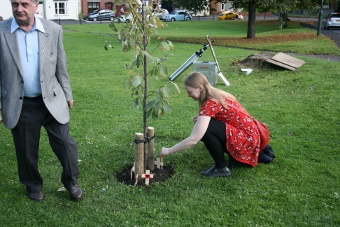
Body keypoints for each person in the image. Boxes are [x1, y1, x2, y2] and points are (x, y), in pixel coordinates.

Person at [0, 0, 83, 201]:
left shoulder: (53, 30)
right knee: (26, 149)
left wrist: (68, 93)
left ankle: (71, 181)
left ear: (37, 5)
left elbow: (61, 65)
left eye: (24, 4)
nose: (19, 9)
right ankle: (33, 185)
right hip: (21, 103)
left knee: (65, 143)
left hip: (52, 100)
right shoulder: (2, 31)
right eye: (15, 4)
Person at [161, 72, 274, 177]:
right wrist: (203, 119)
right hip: (252, 137)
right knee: (207, 126)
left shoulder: (210, 103)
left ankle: (221, 168)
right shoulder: (218, 94)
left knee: (205, 130)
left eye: (189, 91)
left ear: (200, 88)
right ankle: (236, 158)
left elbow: (193, 139)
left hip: (247, 141)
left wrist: (169, 150)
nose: (188, 95)